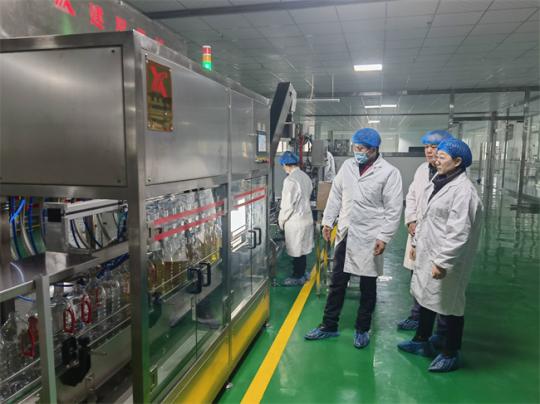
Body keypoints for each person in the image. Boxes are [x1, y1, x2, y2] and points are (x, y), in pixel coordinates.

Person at [305, 128, 403, 348]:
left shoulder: (389, 173)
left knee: (368, 285)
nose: (356, 152)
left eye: (361, 148)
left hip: (371, 235)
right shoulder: (348, 167)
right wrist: (328, 221)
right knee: (337, 282)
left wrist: (384, 237)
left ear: (373, 149)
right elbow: (336, 195)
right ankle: (329, 325)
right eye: (355, 147)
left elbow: (393, 209)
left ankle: (362, 328)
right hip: (347, 232)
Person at [398, 138, 482, 372]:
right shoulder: (439, 180)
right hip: (428, 250)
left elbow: (459, 232)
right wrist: (416, 243)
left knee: (450, 305)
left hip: (447, 258)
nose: (436, 160)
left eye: (441, 157)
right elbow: (425, 217)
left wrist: (443, 262)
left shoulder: (463, 191)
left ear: (457, 162)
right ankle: (421, 340)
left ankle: (450, 352)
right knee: (426, 297)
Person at [398, 130, 453, 331]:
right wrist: (411, 220)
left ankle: (441, 328)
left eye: (434, 147)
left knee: (440, 284)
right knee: (417, 276)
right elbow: (412, 196)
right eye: (426, 147)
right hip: (418, 232)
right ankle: (416, 317)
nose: (429, 151)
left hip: (438, 236)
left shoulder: (451, 176)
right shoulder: (422, 169)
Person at [278, 151, 314, 286]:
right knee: (302, 249)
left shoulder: (290, 180)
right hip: (307, 218)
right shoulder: (305, 176)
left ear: (286, 165)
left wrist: (281, 221)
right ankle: (303, 272)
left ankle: (297, 276)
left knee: (297, 251)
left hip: (295, 221)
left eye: (283, 166)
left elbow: (288, 205)